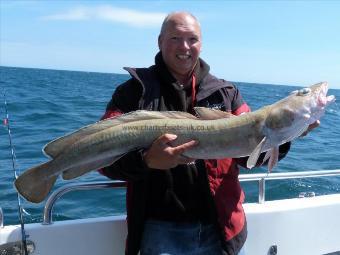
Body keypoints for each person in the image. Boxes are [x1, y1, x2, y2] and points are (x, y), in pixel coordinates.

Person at [99, 11, 318, 255]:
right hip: (160, 231)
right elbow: (102, 160)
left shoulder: (226, 93)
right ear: (160, 42)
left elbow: (249, 158)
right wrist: (147, 160)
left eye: (192, 39)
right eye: (175, 39)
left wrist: (289, 133)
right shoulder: (133, 92)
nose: (185, 47)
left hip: (223, 229)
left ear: (201, 44)